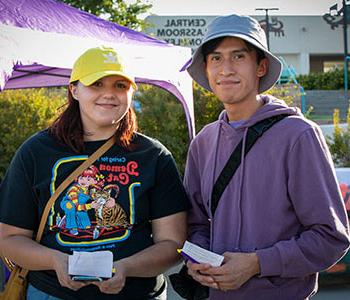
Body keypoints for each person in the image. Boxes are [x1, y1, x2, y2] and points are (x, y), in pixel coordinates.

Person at [0, 46, 188, 300]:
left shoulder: (154, 155)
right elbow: (10, 238)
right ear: (74, 90)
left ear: (132, 92)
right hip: (52, 293)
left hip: (139, 294)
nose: (109, 94)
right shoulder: (35, 151)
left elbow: (173, 244)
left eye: (120, 85)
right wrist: (55, 260)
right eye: (96, 84)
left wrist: (126, 268)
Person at [183, 14, 350, 299]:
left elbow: (330, 238)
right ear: (207, 69)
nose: (226, 69)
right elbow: (196, 224)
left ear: (261, 66)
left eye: (238, 56)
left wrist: (257, 264)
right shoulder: (203, 142)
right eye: (216, 58)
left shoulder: (299, 136)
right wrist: (195, 260)